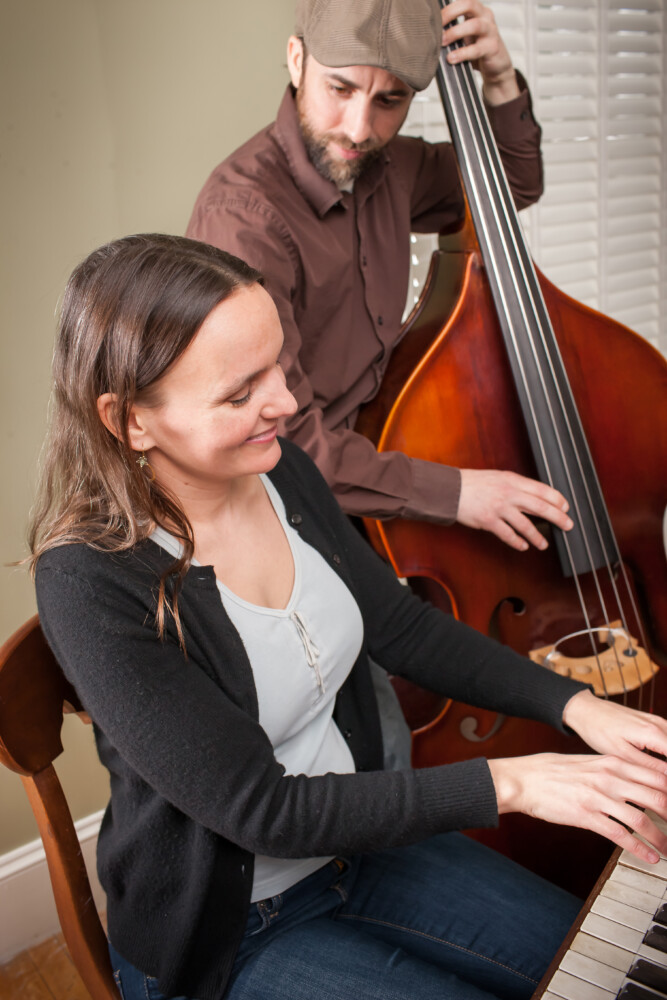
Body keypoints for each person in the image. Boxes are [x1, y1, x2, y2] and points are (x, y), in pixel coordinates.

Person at [30, 233, 667, 1000]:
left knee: (611, 971)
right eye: (240, 393)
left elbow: (400, 626)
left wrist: (572, 705)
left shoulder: (280, 469)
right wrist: (516, 784)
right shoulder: (88, 578)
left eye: (277, 364)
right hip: (236, 930)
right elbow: (259, 810)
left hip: (363, 844)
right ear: (130, 421)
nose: (286, 403)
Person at [186, 0, 574, 553]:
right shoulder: (243, 220)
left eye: (389, 100)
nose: (360, 128)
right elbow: (282, 439)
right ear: (296, 61)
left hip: (374, 459)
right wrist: (458, 492)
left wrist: (500, 78)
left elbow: (509, 185)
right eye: (340, 89)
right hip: (281, 511)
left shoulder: (390, 167)